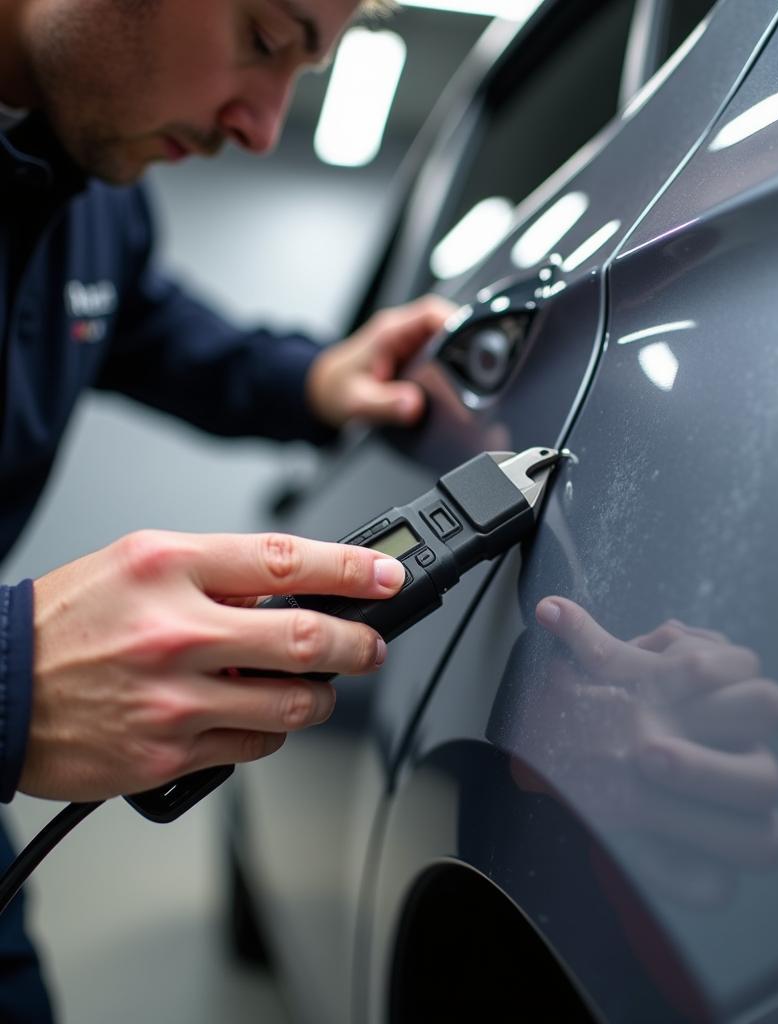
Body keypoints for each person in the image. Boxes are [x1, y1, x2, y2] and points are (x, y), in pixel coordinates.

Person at [0, 0, 452, 1017]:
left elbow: (158, 332)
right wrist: (9, 671)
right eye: (264, 38)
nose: (259, 125)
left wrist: (314, 383)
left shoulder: (92, 194)